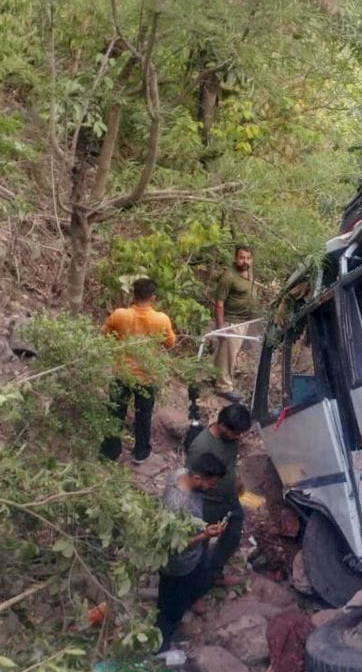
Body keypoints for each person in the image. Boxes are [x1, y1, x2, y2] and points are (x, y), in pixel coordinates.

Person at [100, 277, 177, 464]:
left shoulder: (120, 315)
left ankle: (111, 452)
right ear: (153, 297)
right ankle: (141, 452)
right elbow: (170, 343)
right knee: (144, 415)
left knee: (116, 413)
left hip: (122, 373)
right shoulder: (161, 319)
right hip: (147, 375)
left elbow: (104, 336)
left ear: (133, 295)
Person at [156, 453, 227, 652]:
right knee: (170, 610)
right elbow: (173, 545)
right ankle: (160, 647)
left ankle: (184, 603)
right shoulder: (178, 505)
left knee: (200, 579)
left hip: (194, 555)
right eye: (210, 484)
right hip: (179, 565)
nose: (212, 487)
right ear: (197, 478)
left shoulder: (180, 474)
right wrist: (204, 536)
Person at [186, 403, 252, 586]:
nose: (238, 437)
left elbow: (230, 462)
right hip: (208, 503)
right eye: (236, 433)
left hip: (230, 499)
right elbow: (192, 479)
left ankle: (214, 573)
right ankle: (194, 588)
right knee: (200, 547)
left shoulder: (231, 439)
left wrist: (236, 479)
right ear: (222, 426)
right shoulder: (201, 447)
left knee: (233, 534)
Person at [212, 245, 257, 401]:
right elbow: (219, 302)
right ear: (235, 258)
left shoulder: (248, 272)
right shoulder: (228, 277)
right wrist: (221, 326)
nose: (245, 261)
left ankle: (215, 376)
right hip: (231, 321)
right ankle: (224, 387)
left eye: (248, 258)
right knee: (228, 354)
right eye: (241, 257)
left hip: (244, 320)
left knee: (226, 352)